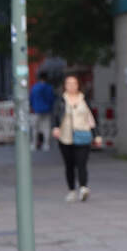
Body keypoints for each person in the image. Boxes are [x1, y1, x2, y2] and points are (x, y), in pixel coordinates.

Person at [51, 73, 101, 202]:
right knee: (69, 165)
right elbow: (55, 116)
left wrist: (97, 135)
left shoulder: (84, 100)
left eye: (74, 83)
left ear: (78, 85)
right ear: (64, 86)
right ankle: (72, 190)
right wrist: (55, 127)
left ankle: (83, 187)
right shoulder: (61, 100)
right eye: (68, 83)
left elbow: (92, 119)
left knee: (82, 163)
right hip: (65, 136)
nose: (71, 86)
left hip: (82, 135)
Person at [30, 74, 56, 151]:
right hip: (46, 110)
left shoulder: (34, 87)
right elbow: (51, 99)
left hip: (36, 110)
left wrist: (32, 106)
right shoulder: (49, 87)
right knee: (46, 128)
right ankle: (46, 144)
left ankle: (34, 144)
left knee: (35, 128)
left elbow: (31, 98)